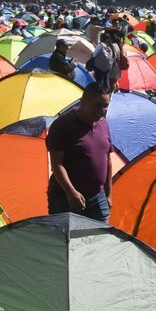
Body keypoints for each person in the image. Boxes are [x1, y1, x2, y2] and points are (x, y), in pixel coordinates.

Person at [46, 84, 113, 221]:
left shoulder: (104, 124)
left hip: (98, 196)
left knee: (101, 239)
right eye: (97, 105)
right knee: (67, 240)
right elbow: (57, 164)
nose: (102, 110)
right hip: (65, 198)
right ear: (84, 102)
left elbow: (108, 159)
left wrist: (109, 194)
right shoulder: (62, 125)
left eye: (105, 106)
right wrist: (71, 193)